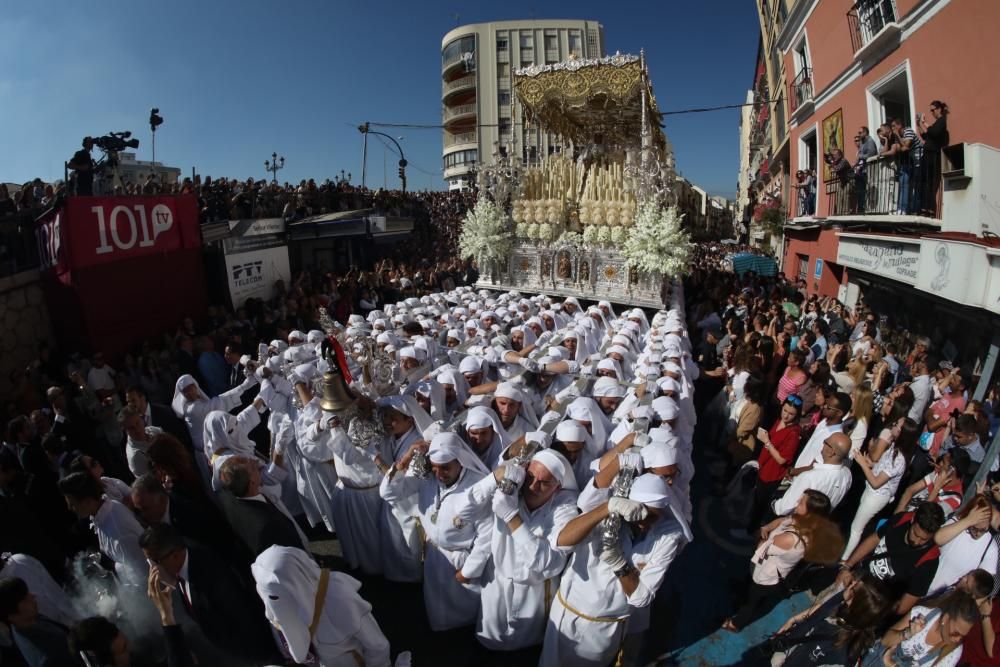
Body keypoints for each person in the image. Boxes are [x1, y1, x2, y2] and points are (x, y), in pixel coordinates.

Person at [540, 474, 689, 667]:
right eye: (640, 514)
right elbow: (560, 541)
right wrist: (607, 507)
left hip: (607, 627)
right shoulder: (606, 518)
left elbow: (641, 597)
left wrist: (618, 564)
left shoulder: (667, 536)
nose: (644, 523)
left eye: (652, 516)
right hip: (568, 614)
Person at [379, 432, 492, 632]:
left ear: (461, 461)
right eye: (435, 467)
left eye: (446, 467)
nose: (439, 474)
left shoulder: (477, 487)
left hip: (462, 558)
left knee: (465, 605)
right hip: (434, 554)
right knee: (436, 600)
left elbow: (486, 536)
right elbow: (388, 492)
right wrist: (406, 458)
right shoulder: (426, 477)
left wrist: (469, 571)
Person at [467, 449, 579, 651]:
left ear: (558, 486)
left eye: (544, 482)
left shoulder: (565, 511)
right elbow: (463, 511)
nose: (533, 486)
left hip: (534, 592)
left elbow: (548, 563)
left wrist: (512, 517)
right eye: (530, 477)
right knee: (489, 639)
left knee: (525, 646)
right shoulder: (509, 492)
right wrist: (495, 478)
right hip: (498, 583)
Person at [138, 523, 279, 663]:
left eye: (154, 562)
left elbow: (245, 622)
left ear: (174, 555)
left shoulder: (212, 575)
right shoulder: (178, 572)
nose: (152, 570)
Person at [251, 545, 394, 667]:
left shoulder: (338, 597)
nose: (273, 604)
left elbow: (377, 644)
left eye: (276, 595)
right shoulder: (276, 604)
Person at [724, 489, 843, 632]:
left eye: (801, 503)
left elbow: (762, 547)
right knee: (750, 587)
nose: (796, 504)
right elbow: (783, 520)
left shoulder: (790, 539)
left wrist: (760, 535)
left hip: (766, 576)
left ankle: (736, 624)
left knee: (750, 602)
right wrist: (767, 527)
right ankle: (744, 591)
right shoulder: (806, 523)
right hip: (767, 568)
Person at [838, 501, 947, 614]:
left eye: (924, 539)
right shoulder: (901, 520)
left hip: (870, 607)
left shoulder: (929, 561)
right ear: (912, 519)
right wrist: (847, 566)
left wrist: (874, 610)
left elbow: (906, 603)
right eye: (915, 534)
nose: (917, 541)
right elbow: (874, 539)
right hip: (854, 580)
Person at [770, 574, 894, 667]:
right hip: (784, 650)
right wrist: (793, 619)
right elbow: (821, 609)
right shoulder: (843, 603)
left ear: (856, 604)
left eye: (855, 586)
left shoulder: (844, 654)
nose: (852, 582)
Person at [57, 471, 148, 587]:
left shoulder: (118, 533)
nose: (70, 508)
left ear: (88, 502)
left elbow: (142, 575)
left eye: (72, 504)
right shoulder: (107, 510)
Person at [842, 416, 914, 558]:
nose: (893, 425)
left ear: (901, 433)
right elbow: (882, 471)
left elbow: (876, 482)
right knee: (856, 526)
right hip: (872, 492)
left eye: (897, 425)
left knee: (857, 529)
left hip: (877, 495)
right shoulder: (894, 447)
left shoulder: (898, 459)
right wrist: (871, 465)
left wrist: (862, 463)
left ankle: (844, 560)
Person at [868, 589, 978, 667]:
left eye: (962, 636)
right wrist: (907, 633)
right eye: (956, 633)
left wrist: (892, 665)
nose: (957, 639)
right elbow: (885, 641)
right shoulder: (923, 614)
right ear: (945, 618)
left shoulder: (953, 651)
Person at [750, 395, 803, 529]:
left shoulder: (793, 434)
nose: (786, 416)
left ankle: (752, 529)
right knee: (756, 498)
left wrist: (766, 442)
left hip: (772, 474)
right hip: (764, 466)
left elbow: (782, 459)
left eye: (791, 414)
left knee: (760, 504)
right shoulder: (779, 420)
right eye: (784, 410)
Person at [0, 577, 78, 667]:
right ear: (11, 616)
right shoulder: (47, 655)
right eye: (25, 599)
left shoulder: (28, 619)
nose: (32, 595)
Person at [772, 431, 853, 516]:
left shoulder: (809, 477)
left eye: (825, 442)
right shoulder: (847, 475)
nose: (823, 444)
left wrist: (773, 503)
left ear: (831, 451)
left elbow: (782, 509)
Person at [917, 100, 949, 217]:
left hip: (933, 157)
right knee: (924, 183)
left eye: (933, 110)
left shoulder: (941, 122)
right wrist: (919, 124)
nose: (931, 112)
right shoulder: (937, 123)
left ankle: (929, 210)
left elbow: (934, 133)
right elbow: (926, 136)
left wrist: (924, 123)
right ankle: (925, 208)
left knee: (929, 184)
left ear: (939, 109)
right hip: (927, 156)